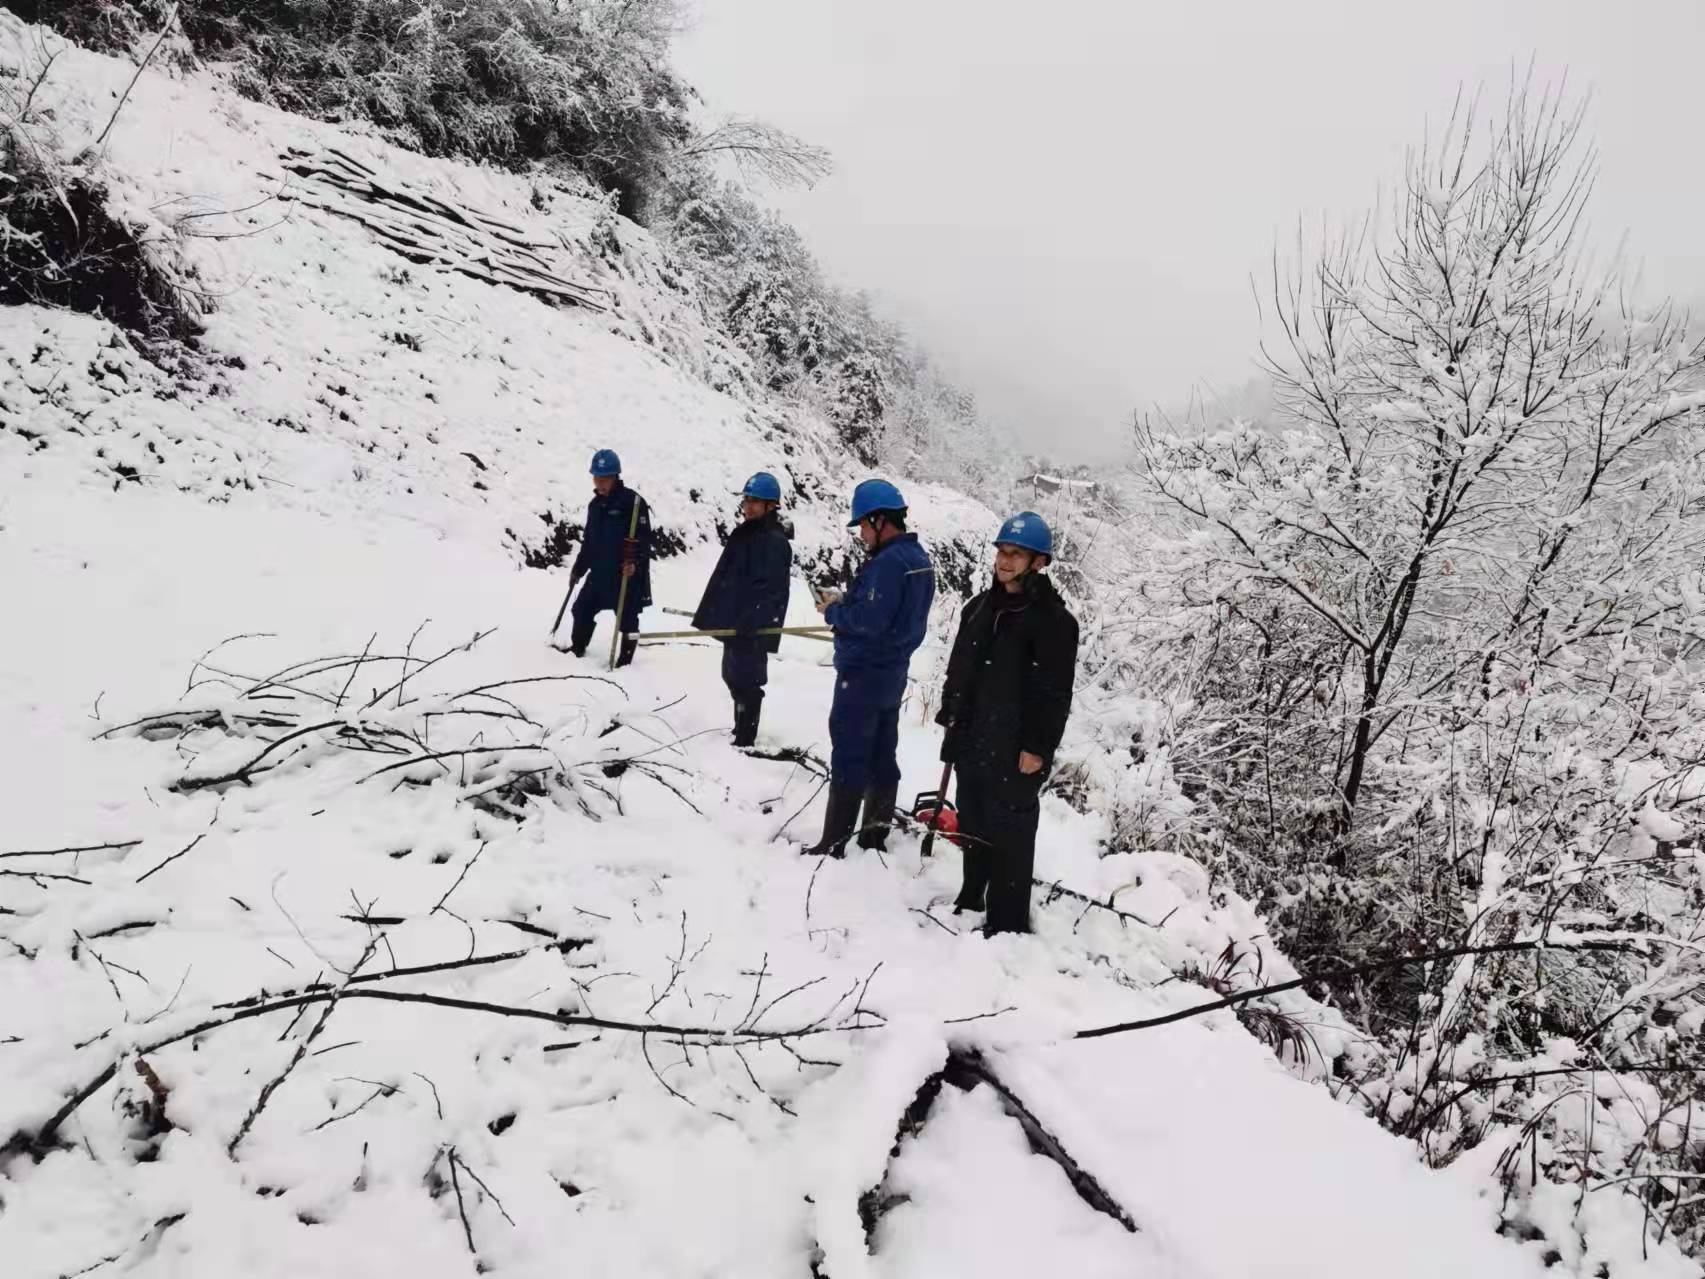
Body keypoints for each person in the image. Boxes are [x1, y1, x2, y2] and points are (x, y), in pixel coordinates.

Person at [936, 512, 1079, 936]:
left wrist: (1037, 748)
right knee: (974, 819)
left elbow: (1055, 694)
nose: (1004, 560)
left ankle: (1007, 923)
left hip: (1016, 746)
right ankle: (970, 897)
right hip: (973, 737)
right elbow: (958, 668)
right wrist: (951, 717)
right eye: (1001, 551)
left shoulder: (1055, 622)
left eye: (1016, 554)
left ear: (1039, 562)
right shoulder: (978, 608)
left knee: (1012, 835)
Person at [804, 479, 936, 858]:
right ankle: (874, 837)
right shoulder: (918, 561)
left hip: (862, 674)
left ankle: (834, 843)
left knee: (849, 753)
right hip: (892, 673)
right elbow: (891, 614)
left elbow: (870, 620)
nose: (861, 533)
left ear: (880, 520)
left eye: (863, 524)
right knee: (882, 753)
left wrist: (833, 611)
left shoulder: (889, 563)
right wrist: (851, 601)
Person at [692, 472, 793, 747]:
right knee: (732, 675)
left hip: (754, 625)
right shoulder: (748, 533)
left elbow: (772, 590)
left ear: (771, 506)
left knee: (747, 681)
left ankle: (746, 738)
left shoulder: (773, 540)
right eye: (747, 501)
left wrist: (752, 620)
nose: (748, 507)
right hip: (738, 621)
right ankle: (740, 729)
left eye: (756, 502)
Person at [565, 448, 652, 667]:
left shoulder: (633, 503)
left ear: (615, 477)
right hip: (599, 573)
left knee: (628, 620)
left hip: (625, 575)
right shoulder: (594, 506)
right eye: (597, 477)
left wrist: (634, 563)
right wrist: (579, 568)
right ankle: (577, 648)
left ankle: (625, 663)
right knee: (581, 609)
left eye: (605, 478)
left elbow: (644, 539)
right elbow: (589, 543)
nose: (600, 483)